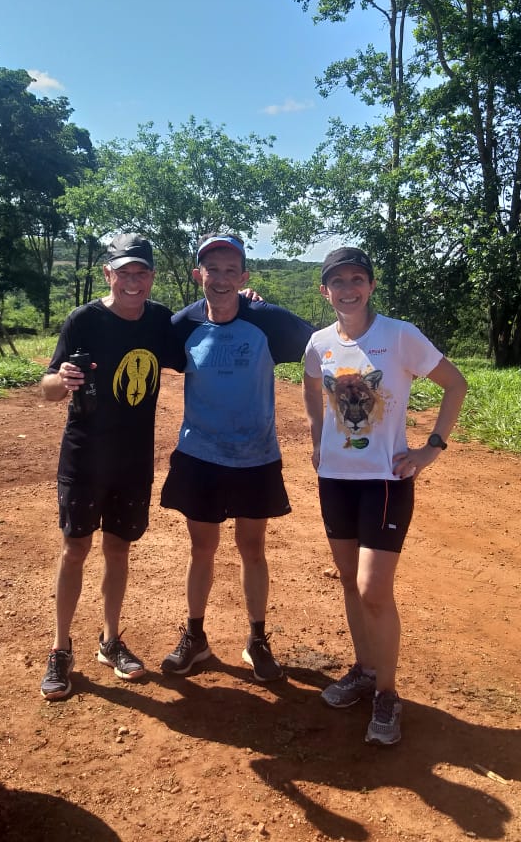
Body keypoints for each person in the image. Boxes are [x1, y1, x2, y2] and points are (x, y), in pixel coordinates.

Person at [302, 246, 467, 746]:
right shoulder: (319, 343)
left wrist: (431, 448)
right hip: (335, 479)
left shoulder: (399, 336)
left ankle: (387, 694)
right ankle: (365, 669)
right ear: (325, 291)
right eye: (338, 281)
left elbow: (455, 384)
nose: (348, 289)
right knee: (350, 582)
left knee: (373, 588)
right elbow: (310, 385)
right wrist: (317, 437)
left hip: (386, 481)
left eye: (357, 279)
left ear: (371, 286)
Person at [159, 232, 314, 682]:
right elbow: (141, 350)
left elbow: (324, 343)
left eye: (231, 270)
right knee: (202, 548)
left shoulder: (267, 321)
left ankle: (257, 640)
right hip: (200, 455)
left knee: (253, 549)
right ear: (198, 275)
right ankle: (195, 637)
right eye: (213, 269)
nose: (222, 278)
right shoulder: (182, 325)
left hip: (255, 455)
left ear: (244, 277)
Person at [38, 233, 185, 700]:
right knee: (75, 549)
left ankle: (110, 640)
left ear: (152, 277)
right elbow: (47, 388)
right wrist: (61, 380)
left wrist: (246, 300)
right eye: (124, 273)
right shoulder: (84, 320)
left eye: (141, 272)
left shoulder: (159, 320)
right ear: (108, 274)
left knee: (119, 550)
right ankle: (60, 648)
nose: (133, 281)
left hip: (133, 457)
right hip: (84, 454)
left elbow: (206, 325)